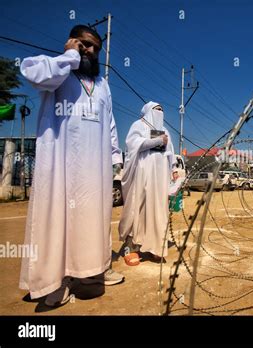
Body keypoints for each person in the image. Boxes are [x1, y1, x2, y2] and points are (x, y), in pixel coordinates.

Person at [19, 25, 124, 308]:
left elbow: (110, 122)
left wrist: (116, 158)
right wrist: (69, 56)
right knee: (60, 219)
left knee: (95, 220)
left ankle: (95, 269)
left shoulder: (102, 85)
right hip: (63, 163)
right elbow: (32, 73)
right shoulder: (58, 70)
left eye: (95, 48)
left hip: (97, 166)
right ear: (73, 43)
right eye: (85, 44)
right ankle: (57, 280)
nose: (91, 51)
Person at [119, 102, 176, 263]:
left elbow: (170, 152)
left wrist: (174, 169)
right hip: (141, 175)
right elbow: (133, 145)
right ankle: (131, 247)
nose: (160, 112)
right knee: (138, 208)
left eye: (162, 110)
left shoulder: (165, 130)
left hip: (159, 178)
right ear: (147, 112)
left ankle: (155, 247)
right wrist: (157, 141)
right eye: (156, 110)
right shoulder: (138, 125)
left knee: (157, 210)